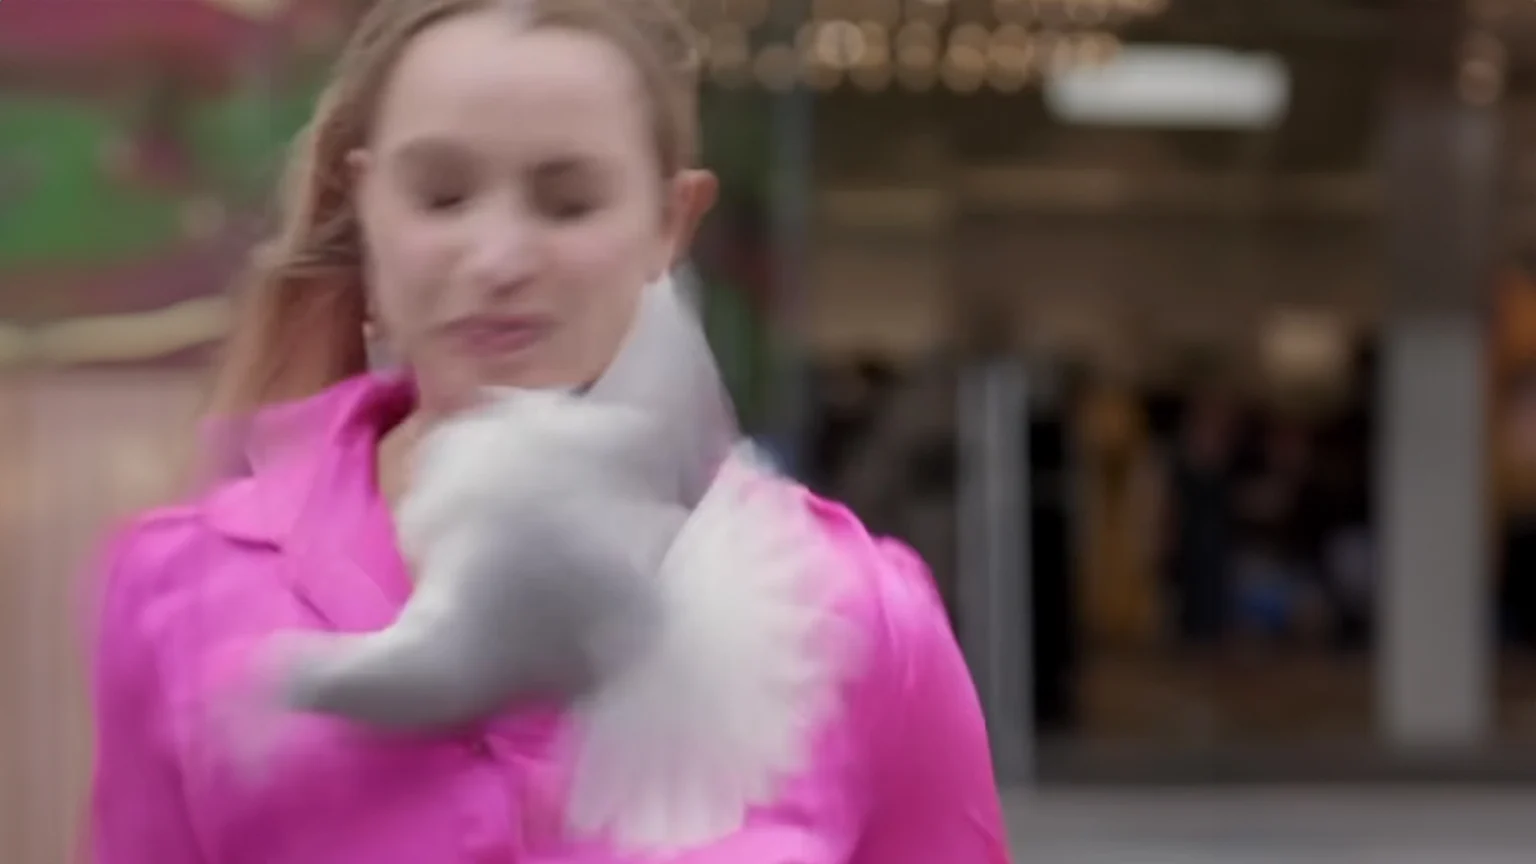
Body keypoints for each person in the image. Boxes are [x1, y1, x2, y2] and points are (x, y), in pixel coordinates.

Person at [83, 0, 1010, 862]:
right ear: (366, 205)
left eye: (567, 203)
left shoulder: (857, 618)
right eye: (443, 196)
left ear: (670, 221)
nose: (498, 259)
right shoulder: (183, 587)